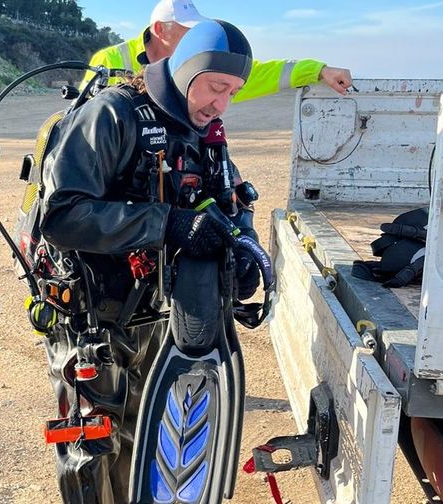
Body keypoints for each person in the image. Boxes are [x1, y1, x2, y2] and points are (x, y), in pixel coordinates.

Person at [39, 20, 258, 503]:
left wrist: (242, 251)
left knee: (144, 442)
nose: (221, 103)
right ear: (185, 70)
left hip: (158, 318)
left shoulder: (206, 133)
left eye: (233, 92)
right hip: (91, 319)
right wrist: (166, 225)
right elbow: (60, 214)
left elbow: (233, 204)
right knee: (88, 446)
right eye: (216, 87)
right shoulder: (114, 115)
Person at [83, 0, 352, 98]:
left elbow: (258, 73)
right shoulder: (110, 59)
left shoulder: (196, 60)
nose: (195, 37)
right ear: (159, 29)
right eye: (186, 30)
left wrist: (317, 70)